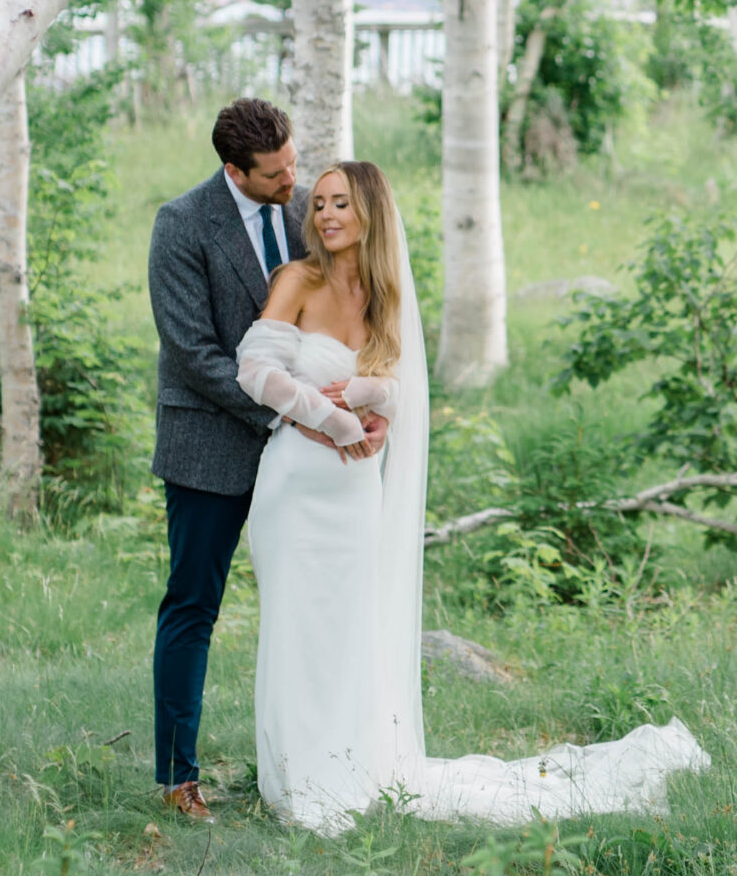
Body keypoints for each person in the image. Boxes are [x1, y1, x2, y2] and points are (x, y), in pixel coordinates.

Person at [233, 158, 710, 829]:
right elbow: (255, 370)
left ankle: (350, 767)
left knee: (349, 630)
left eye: (342, 203)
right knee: (296, 629)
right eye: (320, 206)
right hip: (294, 490)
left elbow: (399, 390)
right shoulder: (297, 281)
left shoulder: (386, 296)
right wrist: (332, 416)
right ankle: (298, 782)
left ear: (371, 211)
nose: (328, 215)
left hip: (355, 495)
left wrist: (370, 397)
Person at [147, 97, 329, 821]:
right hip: (210, 444)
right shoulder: (182, 225)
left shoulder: (312, 208)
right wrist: (288, 412)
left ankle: (311, 761)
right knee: (194, 607)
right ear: (234, 171)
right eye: (276, 173)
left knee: (313, 603)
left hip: (308, 448)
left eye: (293, 161)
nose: (294, 180)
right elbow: (191, 353)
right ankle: (176, 777)